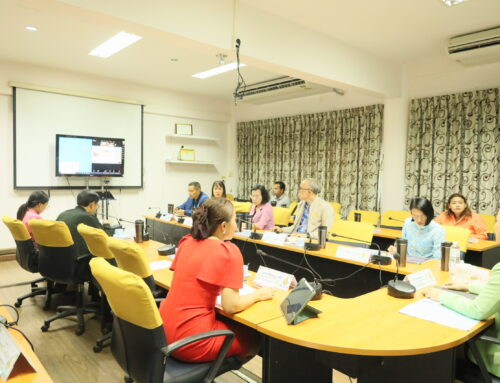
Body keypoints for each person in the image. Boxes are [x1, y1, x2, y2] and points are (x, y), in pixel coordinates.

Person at [159, 198, 275, 362]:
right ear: (224, 226)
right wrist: (259, 295)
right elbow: (231, 306)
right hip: (191, 341)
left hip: (162, 331)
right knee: (253, 337)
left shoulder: (186, 242)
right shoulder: (228, 252)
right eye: (235, 219)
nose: (237, 224)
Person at [422, 262, 500, 379]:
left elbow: (477, 310)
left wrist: (442, 296)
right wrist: (468, 286)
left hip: (496, 360)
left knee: (448, 362)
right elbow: (496, 290)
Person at [57, 190, 104, 256]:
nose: (96, 208)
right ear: (92, 205)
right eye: (97, 205)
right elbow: (104, 238)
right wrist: (106, 225)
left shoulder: (63, 214)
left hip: (62, 256)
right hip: (81, 259)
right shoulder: (88, 217)